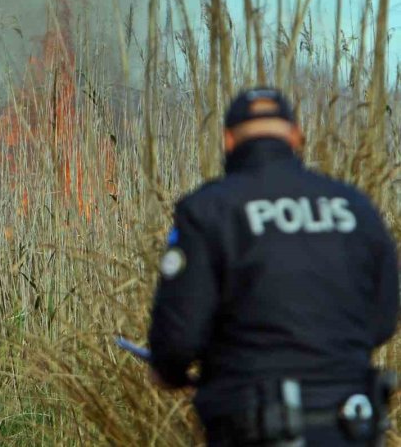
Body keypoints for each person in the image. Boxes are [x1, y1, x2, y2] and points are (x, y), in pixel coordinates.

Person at [147, 88, 399, 446]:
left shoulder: (207, 210)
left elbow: (178, 336)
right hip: (350, 426)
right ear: (296, 137)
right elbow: (383, 319)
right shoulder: (356, 208)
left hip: (254, 427)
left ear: (228, 140)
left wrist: (168, 369)